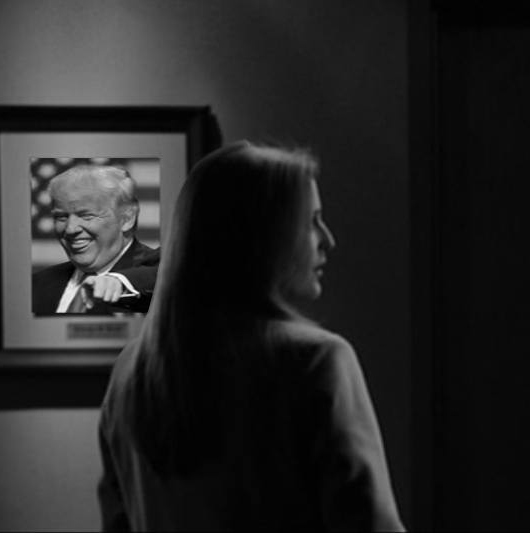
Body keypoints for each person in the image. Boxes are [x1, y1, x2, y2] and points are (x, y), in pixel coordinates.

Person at [97, 141, 405, 531]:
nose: (327, 239)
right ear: (265, 234)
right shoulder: (315, 360)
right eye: (311, 220)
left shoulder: (130, 371)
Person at [32, 164, 159, 315]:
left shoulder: (160, 278)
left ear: (127, 219)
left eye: (86, 215)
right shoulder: (37, 283)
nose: (71, 229)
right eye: (61, 217)